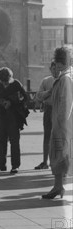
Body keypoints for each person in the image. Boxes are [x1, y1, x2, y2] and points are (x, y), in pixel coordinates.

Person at [42, 47, 72, 199]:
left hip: (62, 125)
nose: (58, 66)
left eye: (61, 63)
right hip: (60, 124)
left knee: (61, 156)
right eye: (57, 62)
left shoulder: (66, 79)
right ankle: (58, 186)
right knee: (59, 157)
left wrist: (61, 125)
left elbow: (66, 104)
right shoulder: (64, 77)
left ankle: (58, 187)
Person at [0, 67, 29, 174]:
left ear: (10, 77)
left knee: (14, 141)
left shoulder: (16, 84)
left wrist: (12, 102)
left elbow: (25, 98)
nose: (5, 84)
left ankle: (15, 165)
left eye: (6, 81)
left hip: (14, 116)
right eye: (3, 82)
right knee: (1, 140)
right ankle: (1, 163)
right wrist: (0, 101)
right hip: (2, 116)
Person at [34, 61, 57, 170]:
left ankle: (58, 162)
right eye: (54, 68)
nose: (56, 71)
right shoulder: (46, 81)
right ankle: (45, 161)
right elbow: (38, 96)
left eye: (58, 68)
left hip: (61, 110)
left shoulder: (67, 80)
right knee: (47, 136)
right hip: (49, 109)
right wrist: (49, 92)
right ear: (50, 69)